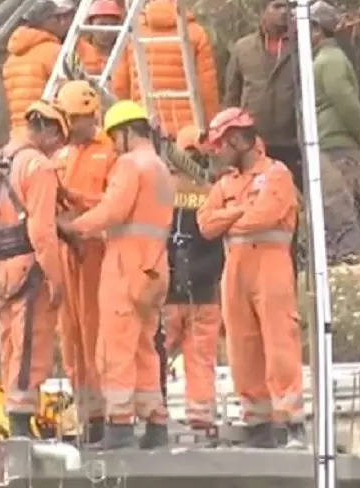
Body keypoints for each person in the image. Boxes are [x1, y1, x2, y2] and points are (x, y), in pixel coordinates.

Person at [59, 100, 174, 450]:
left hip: (125, 265)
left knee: (114, 347)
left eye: (114, 137)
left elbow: (114, 209)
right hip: (154, 266)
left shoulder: (128, 164)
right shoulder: (160, 168)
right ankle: (155, 424)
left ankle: (120, 425)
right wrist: (78, 197)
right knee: (144, 347)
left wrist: (74, 227)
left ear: (124, 133)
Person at [196, 108, 303, 448]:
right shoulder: (226, 182)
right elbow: (206, 225)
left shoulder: (276, 174)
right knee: (242, 346)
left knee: (279, 341)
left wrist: (229, 216)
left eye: (221, 145)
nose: (217, 152)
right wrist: (237, 212)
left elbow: (263, 217)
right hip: (236, 270)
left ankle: (289, 419)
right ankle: (256, 419)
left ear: (239, 140)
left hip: (271, 266)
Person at [0, 101, 68, 437]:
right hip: (30, 267)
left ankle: (13, 413)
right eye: (58, 136)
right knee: (31, 342)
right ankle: (19, 423)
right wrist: (56, 277)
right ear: (48, 128)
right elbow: (42, 232)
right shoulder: (38, 167)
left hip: (1, 266)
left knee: (10, 341)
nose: (58, 145)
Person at [51, 80, 116, 443]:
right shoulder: (59, 155)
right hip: (65, 250)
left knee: (95, 332)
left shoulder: (108, 152)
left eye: (83, 118)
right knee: (71, 333)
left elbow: (112, 202)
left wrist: (76, 207)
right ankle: (84, 410)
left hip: (94, 249)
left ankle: (102, 413)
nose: (79, 125)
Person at [163, 125, 224, 432]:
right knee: (200, 361)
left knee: (152, 357)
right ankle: (200, 420)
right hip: (204, 291)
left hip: (166, 292)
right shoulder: (215, 192)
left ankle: (151, 416)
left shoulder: (162, 189)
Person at [112, 0, 218, 137]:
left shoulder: (133, 32)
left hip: (144, 125)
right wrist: (211, 127)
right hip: (187, 131)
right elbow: (207, 89)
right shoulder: (195, 32)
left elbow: (120, 86)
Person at [311, 0, 360, 264]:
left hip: (336, 143)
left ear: (317, 29)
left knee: (337, 202)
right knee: (331, 202)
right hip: (331, 141)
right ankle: (337, 254)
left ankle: (348, 254)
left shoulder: (329, 61)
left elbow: (345, 102)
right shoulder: (327, 59)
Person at [223, 0, 302, 181]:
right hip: (253, 141)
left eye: (287, 7)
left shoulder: (301, 47)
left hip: (291, 142)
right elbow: (231, 96)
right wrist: (230, 134)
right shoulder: (243, 48)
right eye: (277, 6)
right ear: (263, 11)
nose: (284, 12)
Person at [2, 0, 75, 138]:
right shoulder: (54, 52)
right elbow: (73, 91)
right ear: (45, 21)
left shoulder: (12, 57)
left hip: (18, 132)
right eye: (56, 18)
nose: (61, 22)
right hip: (47, 132)